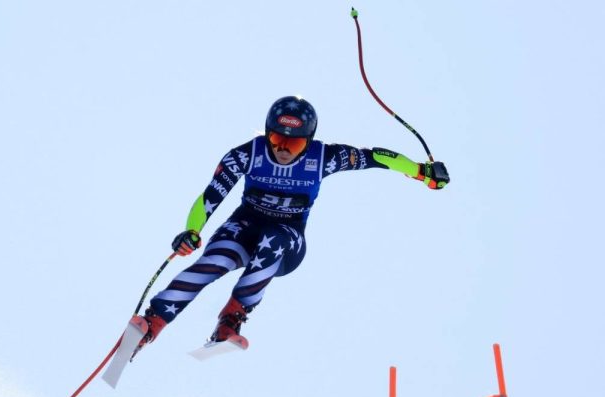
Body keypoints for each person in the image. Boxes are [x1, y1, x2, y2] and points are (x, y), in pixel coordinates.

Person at [137, 96, 449, 349]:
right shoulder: (247, 153)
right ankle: (154, 322)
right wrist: (193, 230)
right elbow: (211, 196)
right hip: (244, 227)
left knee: (275, 238)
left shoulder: (324, 157)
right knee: (217, 258)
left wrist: (420, 171)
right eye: (276, 138)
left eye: (295, 144)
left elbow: (377, 157)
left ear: (308, 141)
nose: (284, 149)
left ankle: (231, 318)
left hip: (287, 241)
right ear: (266, 132)